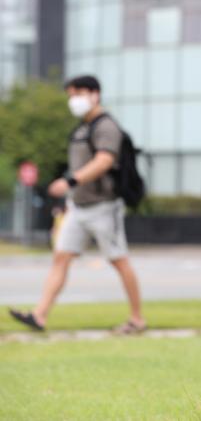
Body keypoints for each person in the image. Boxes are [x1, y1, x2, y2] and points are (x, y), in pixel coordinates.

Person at [9, 75, 146, 334]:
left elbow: (104, 161)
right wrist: (69, 197)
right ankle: (39, 316)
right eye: (71, 95)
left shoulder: (106, 126)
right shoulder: (81, 128)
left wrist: (70, 181)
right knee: (60, 257)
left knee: (119, 260)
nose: (74, 100)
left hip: (104, 206)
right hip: (79, 206)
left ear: (95, 94)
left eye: (79, 93)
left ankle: (137, 319)